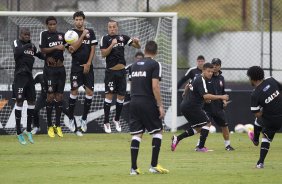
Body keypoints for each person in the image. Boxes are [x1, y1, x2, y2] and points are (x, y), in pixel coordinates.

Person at [129, 40, 169, 175]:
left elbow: (131, 83)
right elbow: (155, 86)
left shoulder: (134, 65)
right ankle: (153, 165)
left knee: (137, 134)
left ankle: (134, 168)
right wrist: (160, 106)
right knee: (158, 131)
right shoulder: (155, 64)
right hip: (147, 102)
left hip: (134, 101)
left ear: (145, 50)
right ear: (156, 52)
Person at [171, 63, 229, 152]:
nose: (210, 73)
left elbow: (187, 85)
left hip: (185, 106)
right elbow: (206, 96)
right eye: (208, 71)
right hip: (192, 107)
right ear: (203, 71)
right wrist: (221, 97)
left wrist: (184, 94)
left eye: (212, 72)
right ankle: (200, 147)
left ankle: (177, 138)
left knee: (198, 128)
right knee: (207, 123)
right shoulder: (201, 80)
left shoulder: (196, 76)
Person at [100, 20, 140, 133]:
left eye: (114, 27)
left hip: (122, 72)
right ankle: (106, 122)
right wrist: (112, 45)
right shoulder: (105, 39)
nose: (112, 29)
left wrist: (137, 42)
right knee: (109, 97)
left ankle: (116, 119)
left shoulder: (123, 38)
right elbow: (103, 54)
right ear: (108, 28)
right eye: (110, 27)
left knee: (121, 97)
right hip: (111, 72)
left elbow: (137, 46)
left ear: (117, 28)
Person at [12, 28, 45, 144]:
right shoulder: (17, 43)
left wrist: (49, 56)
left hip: (29, 77)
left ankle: (28, 130)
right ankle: (18, 132)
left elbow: (39, 54)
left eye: (28, 35)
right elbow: (17, 53)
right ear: (21, 35)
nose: (27, 36)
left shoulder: (32, 46)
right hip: (20, 77)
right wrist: (28, 45)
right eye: (25, 34)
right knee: (19, 102)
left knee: (32, 102)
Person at [67, 11, 98, 136]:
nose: (79, 21)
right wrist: (82, 35)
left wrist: (89, 63)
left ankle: (84, 119)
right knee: (74, 91)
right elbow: (72, 49)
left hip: (88, 67)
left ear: (84, 20)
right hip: (76, 67)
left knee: (90, 92)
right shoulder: (70, 33)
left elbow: (93, 48)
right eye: (77, 19)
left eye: (81, 19)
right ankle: (70, 118)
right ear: (74, 21)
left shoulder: (90, 32)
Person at [247, 66, 282, 169]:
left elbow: (257, 113)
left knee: (265, 136)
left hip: (273, 120)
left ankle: (260, 162)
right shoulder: (271, 80)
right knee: (258, 121)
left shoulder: (255, 94)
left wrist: (266, 110)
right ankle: (255, 139)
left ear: (252, 78)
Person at [39, 16, 66, 138]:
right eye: (50, 24)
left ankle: (58, 125)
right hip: (49, 70)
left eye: (54, 24)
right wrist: (56, 47)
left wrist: (69, 47)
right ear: (47, 25)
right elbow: (43, 50)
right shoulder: (44, 35)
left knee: (59, 97)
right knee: (50, 97)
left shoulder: (62, 35)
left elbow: (69, 47)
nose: (52, 26)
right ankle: (49, 126)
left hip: (61, 69)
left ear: (56, 24)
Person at [200, 58, 235, 151]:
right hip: (207, 107)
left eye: (217, 65)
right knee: (206, 125)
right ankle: (199, 145)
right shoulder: (206, 77)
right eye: (213, 64)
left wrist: (224, 102)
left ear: (220, 66)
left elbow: (222, 92)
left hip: (218, 108)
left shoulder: (221, 78)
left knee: (224, 126)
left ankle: (227, 145)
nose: (214, 67)